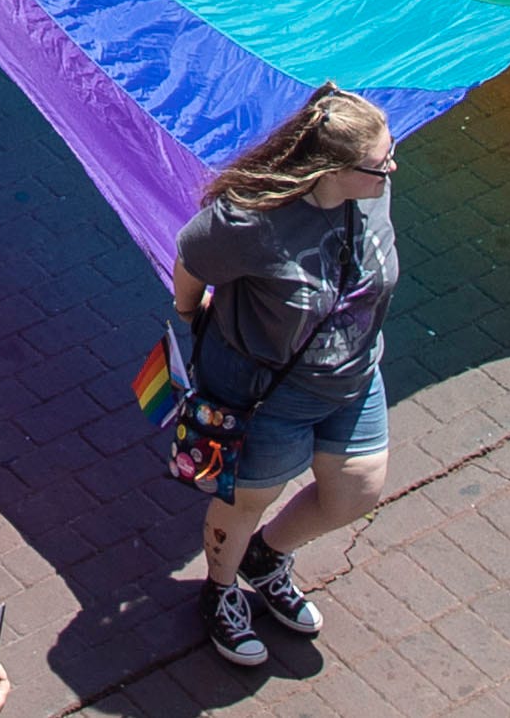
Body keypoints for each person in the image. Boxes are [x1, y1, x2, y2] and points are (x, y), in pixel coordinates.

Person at [167, 86, 403, 672]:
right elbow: (191, 262)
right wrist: (190, 315)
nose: (393, 168)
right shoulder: (254, 219)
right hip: (265, 395)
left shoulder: (374, 191)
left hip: (353, 376)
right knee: (247, 499)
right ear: (331, 169)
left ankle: (265, 559)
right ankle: (219, 591)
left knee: (358, 490)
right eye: (379, 161)